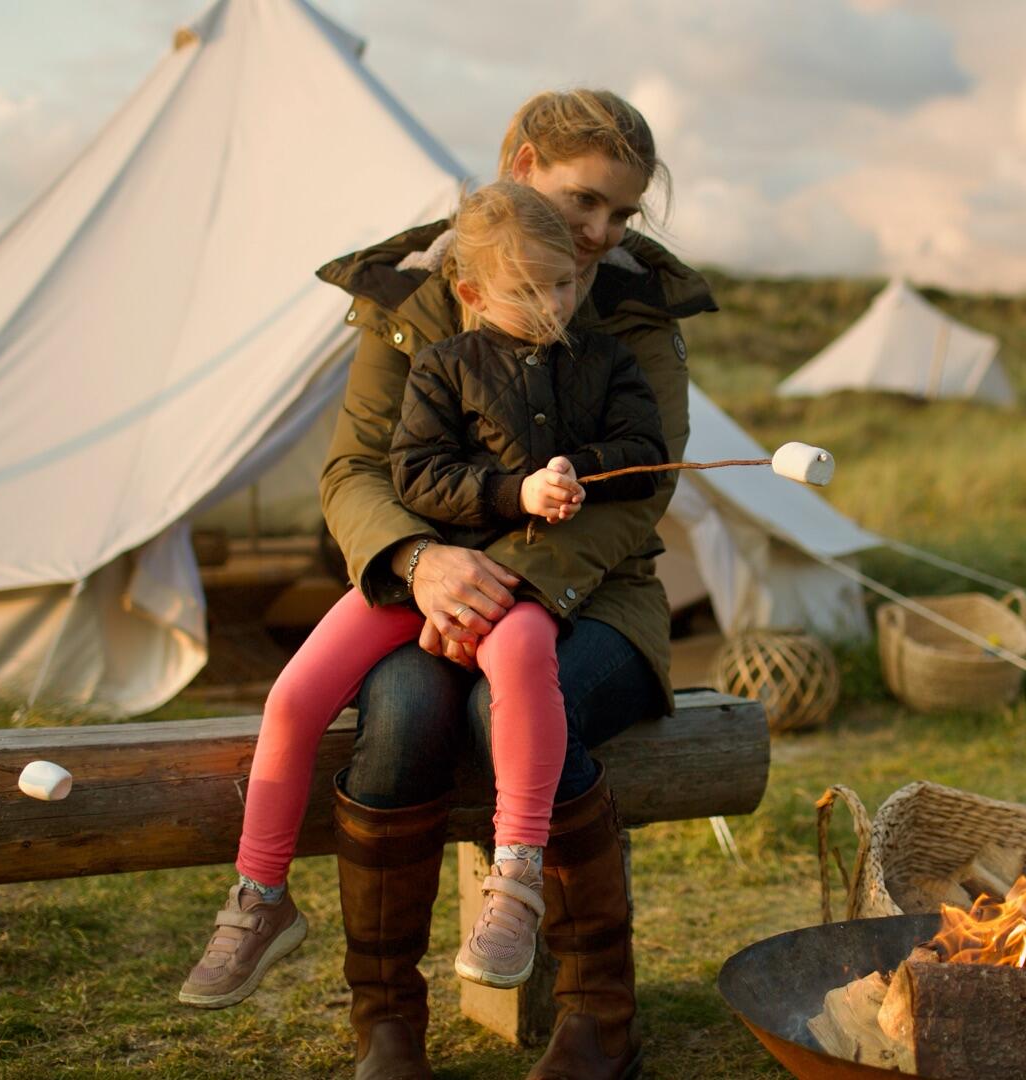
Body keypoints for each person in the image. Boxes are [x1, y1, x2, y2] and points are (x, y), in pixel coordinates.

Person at [214, 90, 708, 1080]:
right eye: (586, 201)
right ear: (522, 164)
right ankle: (388, 1024)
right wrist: (417, 564)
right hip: (426, 590)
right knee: (398, 712)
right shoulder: (412, 298)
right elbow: (356, 467)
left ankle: (599, 1017)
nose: (603, 233)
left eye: (623, 216)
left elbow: (638, 483)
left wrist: (505, 583)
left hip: (594, 592)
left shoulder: (634, 305)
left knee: (514, 702)